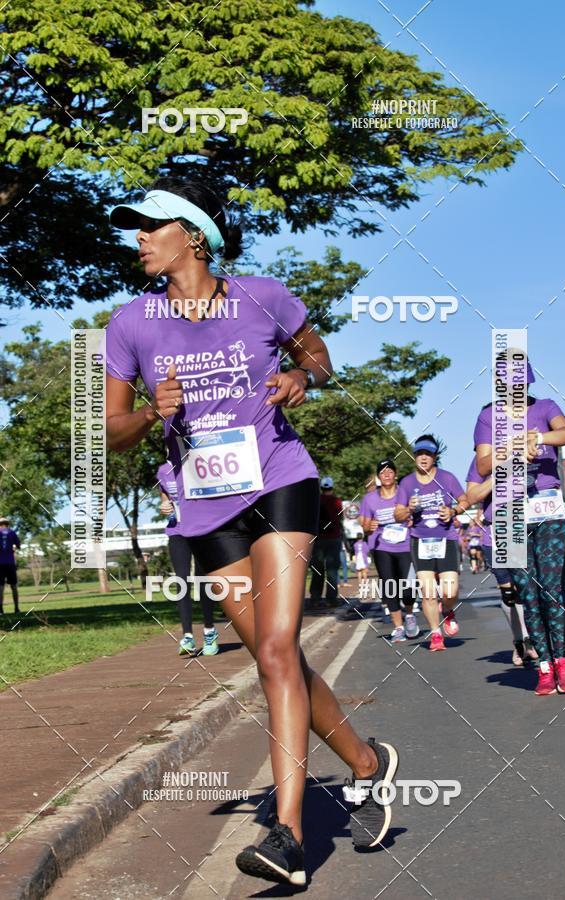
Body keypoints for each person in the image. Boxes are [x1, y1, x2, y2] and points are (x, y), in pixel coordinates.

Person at [106, 177, 398, 885]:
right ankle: (365, 761)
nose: (138, 238)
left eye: (151, 226)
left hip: (278, 482)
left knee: (273, 646)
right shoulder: (129, 323)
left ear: (194, 233)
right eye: (136, 228)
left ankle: (289, 839)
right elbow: (112, 432)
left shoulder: (261, 295)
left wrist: (304, 376)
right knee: (276, 656)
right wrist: (151, 414)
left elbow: (319, 356)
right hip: (206, 506)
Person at [474, 357, 565, 695]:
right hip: (509, 512)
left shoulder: (545, 407)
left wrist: (538, 437)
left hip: (547, 507)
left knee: (552, 589)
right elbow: (483, 463)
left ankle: (563, 661)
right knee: (527, 593)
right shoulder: (488, 416)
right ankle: (544, 667)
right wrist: (514, 447)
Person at [395, 436, 468, 651]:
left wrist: (453, 510)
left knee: (450, 590)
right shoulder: (407, 483)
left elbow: (464, 500)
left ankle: (447, 609)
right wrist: (408, 508)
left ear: (435, 457)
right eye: (419, 454)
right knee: (427, 591)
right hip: (420, 541)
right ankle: (436, 634)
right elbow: (397, 514)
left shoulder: (447, 478)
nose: (423, 457)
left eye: (428, 454)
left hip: (446, 538)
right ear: (414, 456)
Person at [465, 457, 537, 667]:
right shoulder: (482, 461)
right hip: (494, 530)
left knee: (525, 589)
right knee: (508, 592)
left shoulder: (525, 450)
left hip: (520, 527)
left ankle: (530, 639)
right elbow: (472, 496)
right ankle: (519, 641)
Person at [157, 461, 219, 656]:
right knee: (181, 581)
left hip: (202, 529)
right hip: (177, 530)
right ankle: (187, 637)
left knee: (203, 580)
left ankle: (209, 631)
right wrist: (164, 506)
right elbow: (164, 498)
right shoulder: (163, 470)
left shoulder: (197, 462)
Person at [359, 459, 419, 643]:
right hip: (381, 547)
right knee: (389, 585)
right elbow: (364, 524)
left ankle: (409, 614)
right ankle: (398, 627)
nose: (386, 475)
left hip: (405, 545)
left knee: (408, 586)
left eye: (390, 471)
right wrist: (369, 526)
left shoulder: (404, 493)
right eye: (382, 472)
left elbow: (417, 513)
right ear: (378, 477)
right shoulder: (369, 499)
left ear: (395, 475)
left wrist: (411, 518)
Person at [309, 476, 343, 608]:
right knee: (332, 570)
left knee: (317, 570)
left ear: (321, 487)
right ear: (332, 487)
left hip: (318, 539)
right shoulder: (337, 501)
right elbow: (340, 516)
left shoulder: (315, 501)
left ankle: (315, 598)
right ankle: (332, 598)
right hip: (333, 538)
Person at [0, 516, 20, 614]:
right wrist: (13, 549)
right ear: (7, 524)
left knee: (0, 587)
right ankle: (16, 608)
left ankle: (0, 610)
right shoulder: (12, 533)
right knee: (14, 586)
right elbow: (18, 545)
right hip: (10, 563)